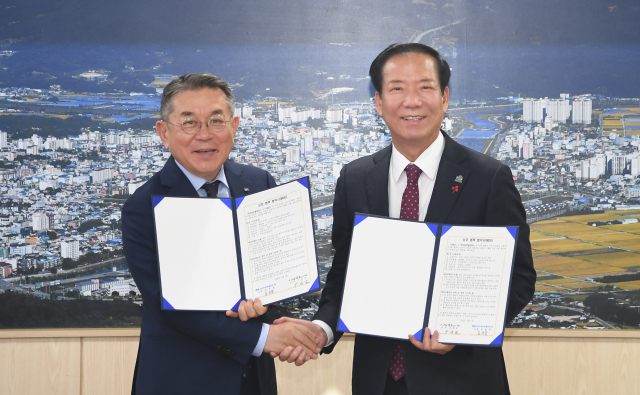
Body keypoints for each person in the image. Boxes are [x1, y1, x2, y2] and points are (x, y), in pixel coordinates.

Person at [275, 43, 536, 394]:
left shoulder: (488, 177)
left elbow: (519, 277)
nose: (412, 101)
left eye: (425, 87)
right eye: (397, 88)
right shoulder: (356, 178)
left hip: (464, 380)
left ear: (444, 98)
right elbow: (345, 274)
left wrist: (462, 330)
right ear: (379, 102)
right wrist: (320, 328)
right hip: (379, 380)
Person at [122, 73, 321, 395]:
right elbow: (169, 305)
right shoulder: (144, 206)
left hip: (252, 379)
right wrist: (265, 338)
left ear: (234, 126)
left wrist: (266, 305)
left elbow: (277, 269)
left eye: (216, 121)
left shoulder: (259, 184)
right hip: (179, 379)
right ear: (164, 133)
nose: (204, 135)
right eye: (189, 123)